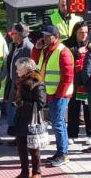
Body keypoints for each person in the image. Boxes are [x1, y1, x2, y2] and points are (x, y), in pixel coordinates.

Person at [32, 25, 74, 167]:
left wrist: (58, 95)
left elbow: (68, 77)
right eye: (43, 35)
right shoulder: (46, 50)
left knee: (58, 123)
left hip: (59, 95)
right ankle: (61, 152)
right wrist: (37, 49)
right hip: (50, 93)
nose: (44, 38)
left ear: (55, 37)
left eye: (47, 36)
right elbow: (36, 64)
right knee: (58, 123)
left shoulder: (63, 52)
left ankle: (63, 154)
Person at [11, 58, 46, 178]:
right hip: (21, 118)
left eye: (18, 69)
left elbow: (41, 103)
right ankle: (24, 171)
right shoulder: (21, 80)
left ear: (26, 69)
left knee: (33, 147)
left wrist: (22, 103)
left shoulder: (37, 81)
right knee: (21, 146)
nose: (16, 71)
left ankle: (37, 172)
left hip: (31, 120)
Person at [3, 23, 34, 142]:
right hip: (14, 85)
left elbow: (29, 71)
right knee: (16, 113)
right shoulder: (16, 46)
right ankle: (19, 137)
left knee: (21, 114)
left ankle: (22, 138)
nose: (11, 35)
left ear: (20, 35)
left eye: (13, 33)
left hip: (22, 87)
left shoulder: (27, 48)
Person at [67, 21, 91, 144]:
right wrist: (77, 52)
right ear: (75, 32)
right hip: (73, 82)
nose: (84, 35)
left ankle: (90, 134)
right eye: (81, 32)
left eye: (86, 32)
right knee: (73, 108)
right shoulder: (68, 45)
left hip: (87, 82)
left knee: (88, 108)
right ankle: (72, 134)